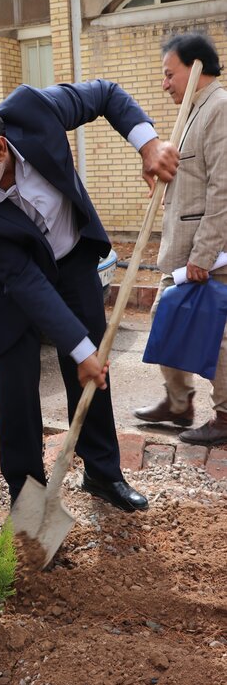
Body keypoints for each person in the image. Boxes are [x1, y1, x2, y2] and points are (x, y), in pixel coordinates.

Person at [0, 83, 179, 512]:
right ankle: (30, 501)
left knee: (94, 375)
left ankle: (102, 472)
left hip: (72, 259)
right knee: (18, 392)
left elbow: (107, 96)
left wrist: (147, 144)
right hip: (8, 290)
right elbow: (22, 279)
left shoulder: (32, 111)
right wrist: (80, 349)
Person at [134, 33, 227, 444]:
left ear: (196, 68)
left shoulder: (220, 109)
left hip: (208, 253)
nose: (165, 83)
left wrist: (204, 255)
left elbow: (223, 189)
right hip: (182, 250)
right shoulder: (194, 112)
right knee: (167, 320)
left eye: (169, 74)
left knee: (217, 332)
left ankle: (225, 417)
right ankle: (178, 402)